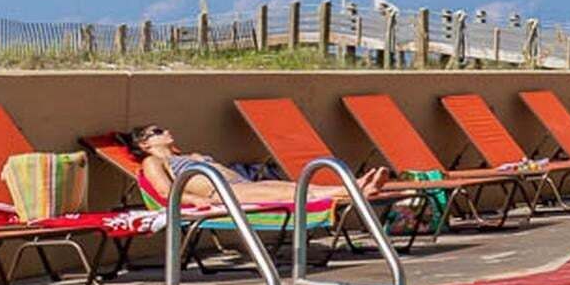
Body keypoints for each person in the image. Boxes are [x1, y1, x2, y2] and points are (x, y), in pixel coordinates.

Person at [134, 125, 392, 214]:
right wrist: (199, 202)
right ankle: (357, 191)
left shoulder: (190, 154)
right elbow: (167, 193)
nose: (166, 132)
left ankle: (357, 187)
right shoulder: (154, 162)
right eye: (157, 132)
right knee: (294, 195)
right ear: (144, 144)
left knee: (299, 187)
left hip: (242, 186)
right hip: (222, 195)